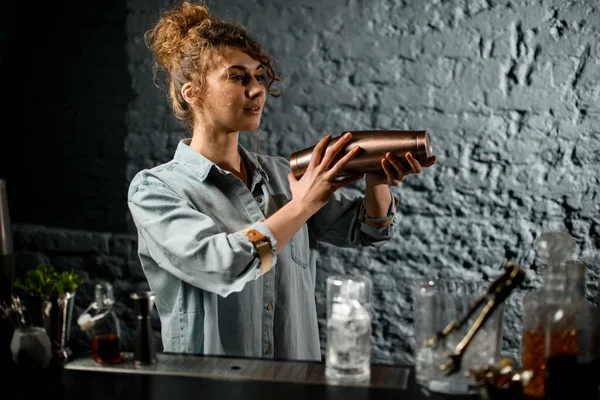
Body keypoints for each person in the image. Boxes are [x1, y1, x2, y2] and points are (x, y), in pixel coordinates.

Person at [127, 0, 436, 361]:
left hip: (296, 385)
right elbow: (222, 265)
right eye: (238, 77)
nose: (257, 89)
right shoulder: (156, 191)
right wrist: (303, 204)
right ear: (192, 92)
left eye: (259, 76)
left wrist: (376, 178)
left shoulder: (282, 175)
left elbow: (367, 230)